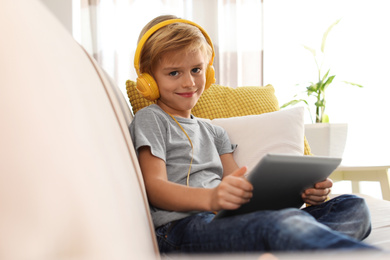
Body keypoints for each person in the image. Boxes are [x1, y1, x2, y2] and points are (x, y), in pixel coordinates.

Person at [129, 15, 375, 253]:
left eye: (196, 69)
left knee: (352, 206)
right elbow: (155, 187)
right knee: (281, 224)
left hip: (228, 222)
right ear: (148, 80)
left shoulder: (215, 132)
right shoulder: (151, 118)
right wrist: (211, 198)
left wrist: (303, 192)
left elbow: (238, 185)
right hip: (182, 228)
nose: (189, 83)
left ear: (209, 71)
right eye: (174, 73)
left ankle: (283, 247)